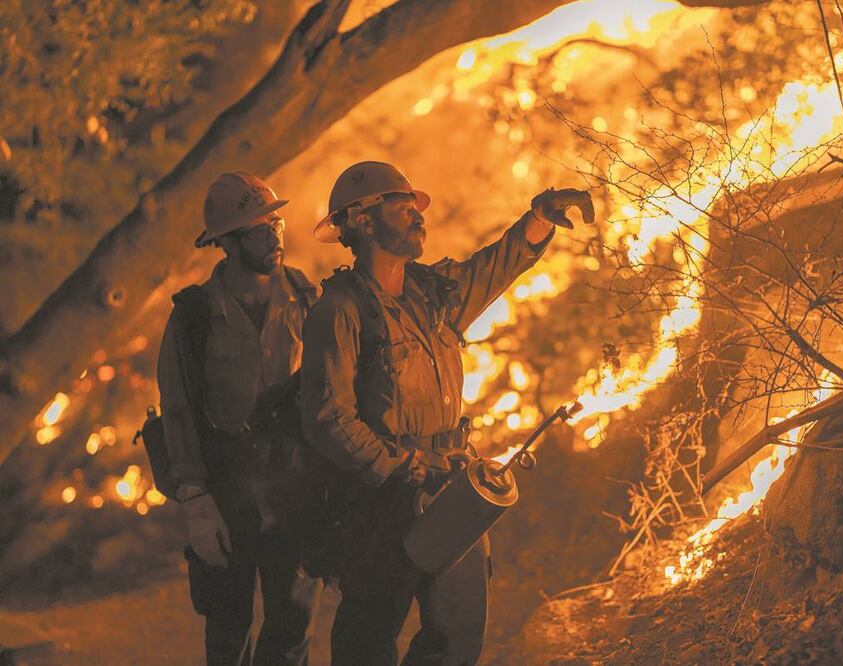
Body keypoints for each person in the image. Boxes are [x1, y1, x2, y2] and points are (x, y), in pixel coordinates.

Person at [299, 161, 592, 665]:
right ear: (364, 222)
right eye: (402, 207)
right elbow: (329, 419)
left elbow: (491, 269)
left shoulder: (431, 293)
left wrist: (538, 221)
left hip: (451, 488)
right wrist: (402, 466)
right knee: (368, 638)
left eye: (416, 207)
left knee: (457, 634)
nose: (417, 216)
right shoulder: (341, 311)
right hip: (378, 501)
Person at [157, 172, 319, 665]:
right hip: (227, 489)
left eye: (276, 222)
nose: (273, 237)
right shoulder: (194, 316)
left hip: (293, 484)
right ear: (225, 242)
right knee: (228, 627)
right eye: (256, 230)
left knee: (291, 626)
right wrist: (196, 502)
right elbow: (178, 413)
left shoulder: (309, 299)